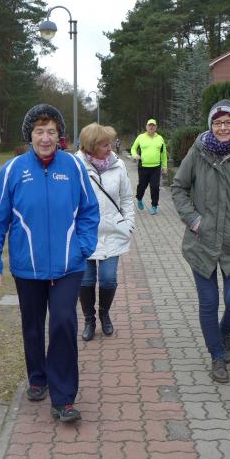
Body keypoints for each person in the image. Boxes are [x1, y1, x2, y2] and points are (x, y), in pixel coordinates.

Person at [0, 104, 99, 423]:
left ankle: (64, 398)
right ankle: (37, 377)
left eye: (51, 132)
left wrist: (83, 246)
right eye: (39, 131)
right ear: (29, 135)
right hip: (27, 265)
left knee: (62, 322)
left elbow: (89, 210)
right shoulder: (13, 170)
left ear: (60, 136)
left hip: (68, 265)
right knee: (32, 325)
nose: (45, 138)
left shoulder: (73, 167)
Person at [171, 100, 230, 383]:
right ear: (211, 125)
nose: (223, 127)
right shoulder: (199, 151)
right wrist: (194, 221)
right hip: (202, 241)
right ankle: (217, 356)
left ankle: (224, 333)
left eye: (228, 122)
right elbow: (178, 187)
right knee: (208, 302)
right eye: (218, 122)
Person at [75, 123, 135, 341]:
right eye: (104, 145)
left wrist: (128, 223)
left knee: (108, 279)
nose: (110, 148)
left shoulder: (118, 165)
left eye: (109, 143)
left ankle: (104, 314)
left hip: (113, 232)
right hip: (84, 235)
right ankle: (89, 319)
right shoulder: (75, 166)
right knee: (86, 281)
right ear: (90, 147)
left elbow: (126, 198)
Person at [130, 118, 168, 215]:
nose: (151, 127)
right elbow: (133, 148)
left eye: (153, 125)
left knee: (155, 187)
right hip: (143, 166)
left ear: (156, 127)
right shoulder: (140, 137)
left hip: (156, 167)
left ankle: (154, 206)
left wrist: (164, 166)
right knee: (142, 186)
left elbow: (163, 154)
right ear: (146, 127)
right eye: (149, 125)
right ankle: (139, 198)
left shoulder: (160, 138)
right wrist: (135, 155)